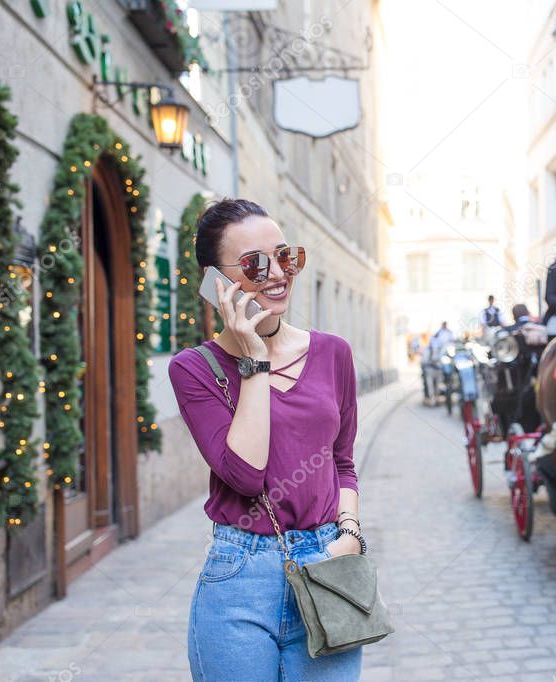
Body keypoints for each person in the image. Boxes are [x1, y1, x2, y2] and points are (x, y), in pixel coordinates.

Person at [167, 199, 364, 681]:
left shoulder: (333, 353)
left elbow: (342, 462)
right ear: (218, 283)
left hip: (327, 567)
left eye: (286, 256)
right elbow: (245, 474)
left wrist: (350, 535)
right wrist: (254, 358)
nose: (278, 274)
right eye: (256, 263)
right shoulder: (194, 369)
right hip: (240, 580)